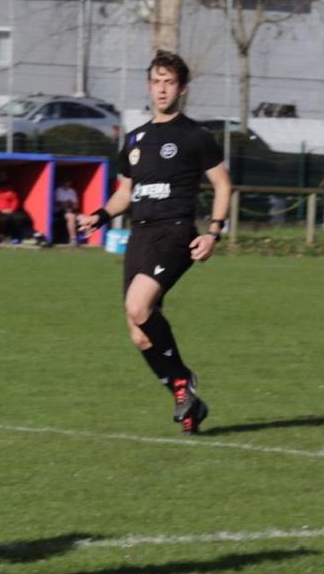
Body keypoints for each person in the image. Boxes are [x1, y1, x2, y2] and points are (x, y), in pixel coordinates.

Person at [78, 50, 231, 435]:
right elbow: (125, 193)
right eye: (156, 81)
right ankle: (189, 403)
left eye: (170, 82)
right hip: (140, 235)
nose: (162, 89)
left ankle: (183, 384)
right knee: (138, 331)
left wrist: (213, 232)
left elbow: (224, 185)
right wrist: (99, 215)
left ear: (182, 89)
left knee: (138, 305)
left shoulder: (195, 136)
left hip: (176, 232)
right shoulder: (135, 138)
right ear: (149, 85)